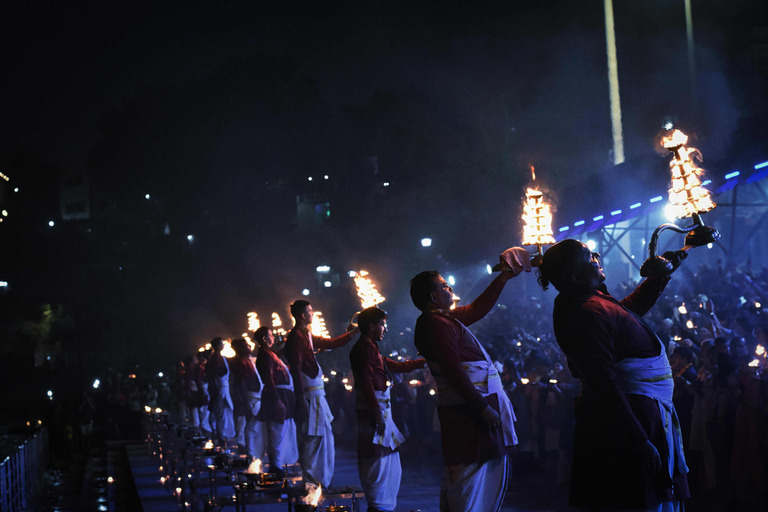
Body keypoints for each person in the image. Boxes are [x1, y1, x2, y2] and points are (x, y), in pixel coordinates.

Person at [537, 239, 690, 511]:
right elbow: (603, 381)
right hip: (632, 417)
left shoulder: (590, 303)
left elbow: (628, 310)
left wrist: (677, 256)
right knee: (638, 500)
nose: (597, 257)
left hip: (641, 409)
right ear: (576, 276)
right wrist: (639, 438)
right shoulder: (584, 312)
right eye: (589, 257)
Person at [411, 247, 527, 512]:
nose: (450, 289)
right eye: (444, 287)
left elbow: (477, 309)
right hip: (469, 413)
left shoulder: (442, 319)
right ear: (433, 297)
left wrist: (503, 278)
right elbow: (453, 369)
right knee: (468, 476)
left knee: (473, 475)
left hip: (470, 409)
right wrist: (482, 407)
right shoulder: (437, 325)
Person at [349, 307, 426, 512]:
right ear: (372, 327)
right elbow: (366, 383)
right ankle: (378, 507)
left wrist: (425, 361)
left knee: (388, 460)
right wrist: (376, 413)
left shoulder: (371, 347)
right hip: (374, 414)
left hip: (380, 413)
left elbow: (397, 367)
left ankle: (383, 507)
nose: (386, 329)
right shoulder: (363, 349)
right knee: (376, 460)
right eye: (383, 324)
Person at [284, 299, 358, 488]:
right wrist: (301, 398)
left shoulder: (306, 334)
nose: (312, 313)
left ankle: (319, 480)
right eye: (310, 311)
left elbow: (330, 343)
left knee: (322, 436)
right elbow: (296, 369)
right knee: (312, 438)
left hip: (316, 395)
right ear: (302, 315)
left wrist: (354, 332)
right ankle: (310, 483)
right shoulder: (296, 337)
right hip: (309, 396)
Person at [255, 326, 299, 476]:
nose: (273, 338)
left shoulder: (269, 353)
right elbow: (268, 379)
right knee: (276, 432)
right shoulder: (264, 355)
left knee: (280, 432)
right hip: (276, 397)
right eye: (271, 336)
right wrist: (277, 401)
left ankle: (279, 465)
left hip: (281, 396)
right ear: (264, 339)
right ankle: (276, 466)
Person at [229, 338, 263, 458]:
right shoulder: (241, 362)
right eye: (246, 345)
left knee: (255, 426)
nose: (249, 346)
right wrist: (247, 401)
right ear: (241, 349)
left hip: (256, 397)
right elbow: (241, 383)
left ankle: (254, 453)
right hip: (250, 398)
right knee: (250, 426)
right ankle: (250, 453)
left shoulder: (249, 360)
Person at [206, 337, 235, 446]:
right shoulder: (216, 358)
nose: (223, 345)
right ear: (218, 345)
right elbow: (214, 376)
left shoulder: (219, 357)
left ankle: (221, 436)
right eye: (222, 343)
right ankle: (220, 437)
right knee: (220, 414)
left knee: (223, 414)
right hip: (220, 390)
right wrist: (217, 391)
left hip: (223, 389)